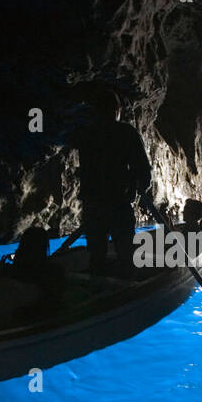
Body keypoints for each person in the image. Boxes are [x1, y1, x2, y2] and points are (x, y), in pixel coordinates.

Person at [67, 89, 152, 277]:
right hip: (118, 204)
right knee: (125, 253)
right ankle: (127, 289)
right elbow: (143, 168)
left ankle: (98, 288)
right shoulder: (126, 133)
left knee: (97, 254)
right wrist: (140, 186)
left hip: (93, 205)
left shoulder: (86, 134)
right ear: (116, 110)